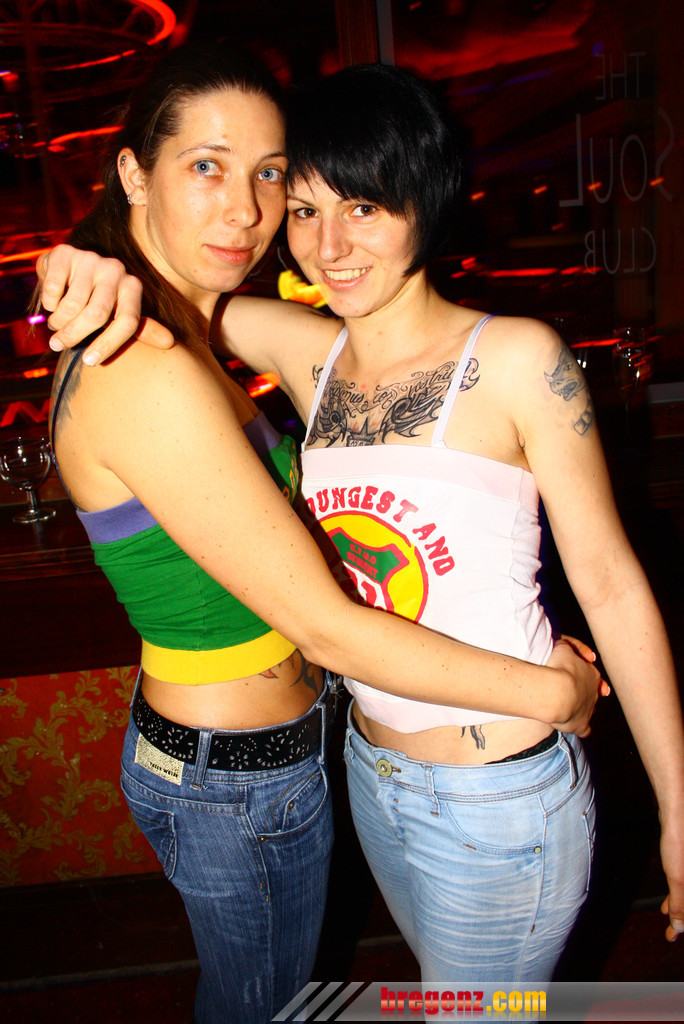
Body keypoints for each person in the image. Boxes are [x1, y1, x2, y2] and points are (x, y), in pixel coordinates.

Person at [42, 49, 607, 1022]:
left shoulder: (176, 325)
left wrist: (80, 257)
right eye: (207, 166)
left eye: (270, 175)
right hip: (237, 779)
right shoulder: (144, 362)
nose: (245, 210)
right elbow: (328, 627)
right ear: (133, 172)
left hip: (253, 759)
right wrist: (554, 690)